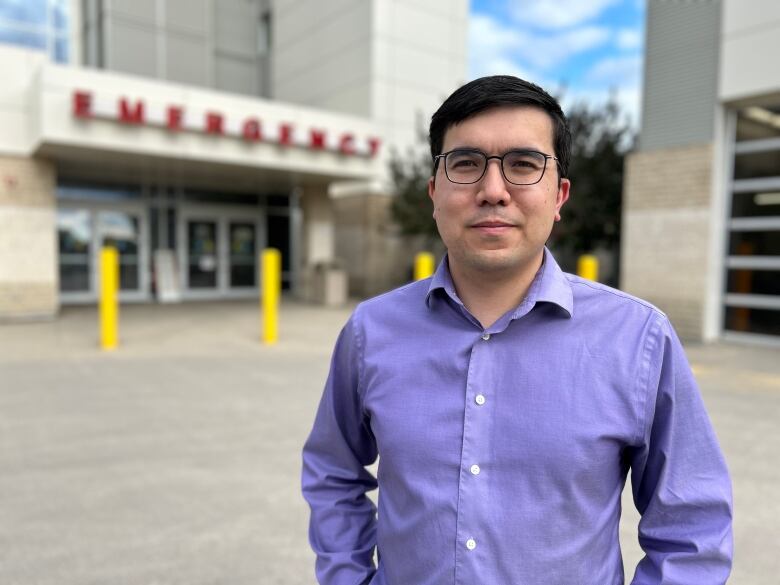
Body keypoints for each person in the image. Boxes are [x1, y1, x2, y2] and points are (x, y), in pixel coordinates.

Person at [301, 75, 733, 585]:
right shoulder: (370, 332)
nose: (492, 191)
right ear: (434, 191)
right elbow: (333, 473)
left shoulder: (639, 339)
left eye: (523, 165)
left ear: (559, 195)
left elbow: (692, 527)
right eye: (465, 164)